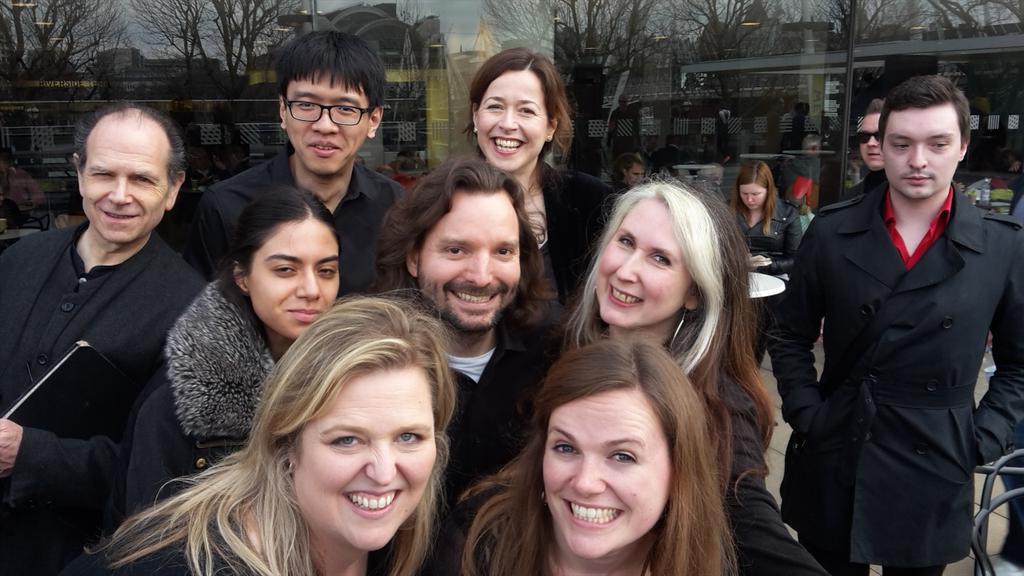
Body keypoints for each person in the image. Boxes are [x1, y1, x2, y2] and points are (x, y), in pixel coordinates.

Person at [768, 75, 1024, 574]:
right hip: (839, 444)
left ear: (963, 147)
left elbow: (1019, 361)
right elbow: (789, 333)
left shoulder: (1003, 245)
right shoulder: (833, 231)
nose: (918, 160)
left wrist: (984, 437)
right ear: (881, 146)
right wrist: (807, 412)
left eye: (937, 143)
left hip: (935, 455)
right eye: (901, 144)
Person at [62, 296, 457, 576]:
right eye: (347, 440)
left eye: (409, 437)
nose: (385, 472)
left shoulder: (400, 547)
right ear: (287, 445)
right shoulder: (180, 565)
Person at [563, 181, 828, 575]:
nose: (626, 269)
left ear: (694, 293)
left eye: (660, 259)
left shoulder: (717, 404)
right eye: (625, 242)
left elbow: (754, 530)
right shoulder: (554, 353)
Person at [0, 103, 204, 575]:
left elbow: (162, 474)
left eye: (142, 179)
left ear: (173, 189)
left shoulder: (196, 313)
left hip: (80, 554)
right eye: (103, 174)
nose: (118, 195)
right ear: (78, 174)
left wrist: (29, 454)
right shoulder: (18, 260)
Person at [107, 187, 340, 525]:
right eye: (285, 270)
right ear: (242, 277)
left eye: (326, 271)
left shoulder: (352, 376)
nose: (311, 290)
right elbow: (148, 537)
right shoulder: (186, 393)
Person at [427, 338, 735, 575]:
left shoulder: (699, 558)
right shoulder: (478, 542)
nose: (586, 483)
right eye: (566, 448)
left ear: (678, 469)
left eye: (623, 456)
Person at [373, 157, 556, 506]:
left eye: (503, 251)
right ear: (413, 257)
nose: (482, 276)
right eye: (457, 250)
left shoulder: (554, 354)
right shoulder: (366, 359)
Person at [183, 31, 403, 295]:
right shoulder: (225, 207)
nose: (325, 125)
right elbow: (200, 321)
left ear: (374, 120)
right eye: (306, 104)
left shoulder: (396, 208)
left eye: (346, 109)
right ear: (283, 111)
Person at [467, 47, 610, 303]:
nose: (508, 123)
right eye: (495, 107)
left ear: (550, 127)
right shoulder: (442, 202)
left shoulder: (589, 202)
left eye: (526, 111)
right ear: (476, 116)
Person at [731, 161, 802, 363]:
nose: (750, 199)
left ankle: (750, 366)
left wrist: (767, 265)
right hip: (736, 276)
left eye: (756, 194)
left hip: (773, 280)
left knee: (760, 325)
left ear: (768, 190)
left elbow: (797, 258)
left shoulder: (788, 214)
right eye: (744, 194)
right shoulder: (729, 210)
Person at [846, 98, 887, 198]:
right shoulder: (850, 197)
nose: (871, 143)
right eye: (865, 136)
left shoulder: (911, 194)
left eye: (879, 136)